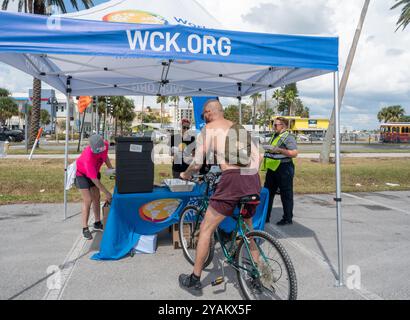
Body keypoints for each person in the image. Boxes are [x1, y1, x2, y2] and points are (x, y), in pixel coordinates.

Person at [178, 99, 262, 295]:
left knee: (206, 229)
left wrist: (186, 174)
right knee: (248, 228)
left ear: (208, 113)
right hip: (252, 179)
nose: (203, 118)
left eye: (203, 115)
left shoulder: (208, 129)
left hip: (232, 181)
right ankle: (256, 275)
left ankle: (195, 279)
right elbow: (258, 156)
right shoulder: (239, 128)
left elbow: (198, 163)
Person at [75, 134, 114, 240]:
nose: (100, 152)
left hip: (94, 172)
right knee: (88, 200)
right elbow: (95, 181)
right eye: (97, 151)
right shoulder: (88, 158)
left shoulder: (104, 145)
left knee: (97, 197)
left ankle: (97, 222)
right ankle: (85, 228)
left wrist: (111, 169)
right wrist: (107, 193)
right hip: (82, 175)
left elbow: (105, 156)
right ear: (91, 147)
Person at [262, 117, 298, 225]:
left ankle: (287, 218)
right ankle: (265, 216)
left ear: (284, 126)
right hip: (272, 169)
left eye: (276, 125)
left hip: (284, 169)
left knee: (286, 194)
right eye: (273, 124)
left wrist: (279, 150)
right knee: (268, 193)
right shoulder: (274, 135)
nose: (273, 127)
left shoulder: (289, 137)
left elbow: (294, 153)